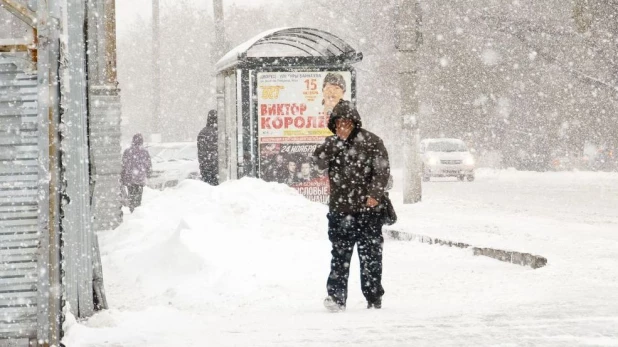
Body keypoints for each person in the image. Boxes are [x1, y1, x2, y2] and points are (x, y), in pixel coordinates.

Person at [313, 100, 390, 312]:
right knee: (340, 256)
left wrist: (374, 195)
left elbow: (382, 172)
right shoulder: (331, 144)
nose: (343, 126)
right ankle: (336, 298)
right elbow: (317, 163)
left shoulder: (372, 142)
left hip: (369, 212)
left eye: (347, 122)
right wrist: (336, 143)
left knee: (371, 258)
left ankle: (374, 298)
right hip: (340, 211)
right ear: (333, 124)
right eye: (338, 122)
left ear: (355, 122)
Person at [121, 133, 152, 213]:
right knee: (138, 196)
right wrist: (148, 174)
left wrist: (122, 177)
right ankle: (137, 210)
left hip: (129, 178)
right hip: (139, 179)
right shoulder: (144, 152)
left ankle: (132, 209)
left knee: (131, 195)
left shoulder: (127, 151)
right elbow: (148, 165)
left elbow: (123, 165)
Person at [197, 110, 219, 185]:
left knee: (206, 188)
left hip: (205, 166)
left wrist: (202, 164)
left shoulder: (202, 132)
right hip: (216, 167)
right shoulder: (218, 132)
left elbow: (200, 151)